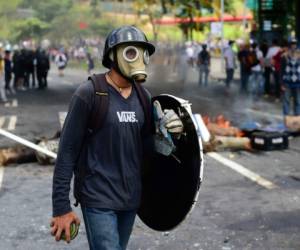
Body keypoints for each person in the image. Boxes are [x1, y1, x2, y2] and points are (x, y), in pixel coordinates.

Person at [51, 26, 183, 250]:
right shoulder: (89, 94)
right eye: (131, 52)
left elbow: (145, 149)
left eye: (143, 53)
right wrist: (61, 208)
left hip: (130, 199)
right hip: (98, 198)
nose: (139, 59)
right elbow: (67, 152)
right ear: (112, 55)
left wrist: (169, 136)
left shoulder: (143, 96)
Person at [281, 39, 300, 118]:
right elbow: (281, 70)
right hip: (287, 82)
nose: (293, 45)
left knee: (298, 102)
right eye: (292, 44)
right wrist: (281, 83)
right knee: (286, 101)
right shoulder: (284, 56)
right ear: (289, 45)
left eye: (295, 44)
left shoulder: (299, 55)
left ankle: (297, 119)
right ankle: (286, 119)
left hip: (298, 83)